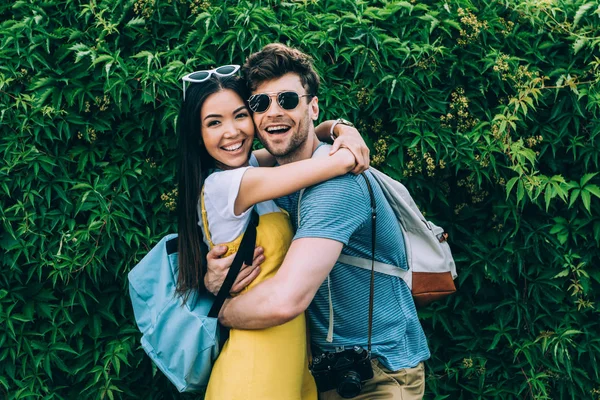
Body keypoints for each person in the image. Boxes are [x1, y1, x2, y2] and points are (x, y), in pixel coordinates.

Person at [205, 44, 431, 400]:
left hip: (379, 374)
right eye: (260, 104)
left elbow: (285, 300)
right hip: (319, 371)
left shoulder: (337, 185)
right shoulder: (272, 174)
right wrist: (218, 273)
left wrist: (217, 310)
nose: (273, 113)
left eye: (288, 100)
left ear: (312, 105)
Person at [175, 69, 370, 400]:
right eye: (214, 123)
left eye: (240, 116)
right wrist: (350, 146)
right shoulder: (226, 185)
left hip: (289, 362)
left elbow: (304, 139)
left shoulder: (247, 168)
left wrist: (337, 128)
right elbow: (332, 163)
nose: (232, 131)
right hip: (255, 366)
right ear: (197, 134)